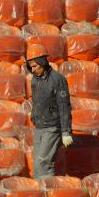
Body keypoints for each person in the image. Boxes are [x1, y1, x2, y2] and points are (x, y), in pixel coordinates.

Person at [26, 44, 74, 180]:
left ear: (43, 62)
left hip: (52, 127)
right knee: (36, 165)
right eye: (30, 66)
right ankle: (41, 196)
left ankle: (50, 194)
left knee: (44, 163)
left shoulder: (57, 79)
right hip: (39, 127)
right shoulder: (35, 80)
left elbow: (64, 106)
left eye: (35, 66)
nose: (33, 70)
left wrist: (65, 131)